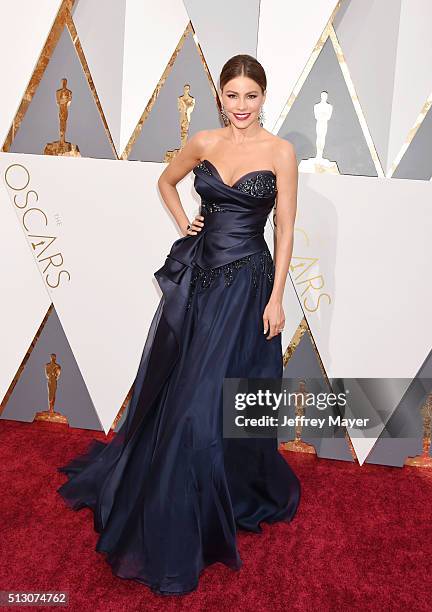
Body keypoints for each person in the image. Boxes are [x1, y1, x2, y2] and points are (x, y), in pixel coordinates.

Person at [57, 54, 301, 596]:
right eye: (232, 96)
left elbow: (284, 229)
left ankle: (223, 493)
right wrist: (182, 220)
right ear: (221, 97)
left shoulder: (281, 152)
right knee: (187, 393)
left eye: (251, 96)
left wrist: (278, 297)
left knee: (226, 397)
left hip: (250, 289)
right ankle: (176, 500)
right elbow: (166, 182)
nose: (241, 106)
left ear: (265, 97)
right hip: (202, 283)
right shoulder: (204, 142)